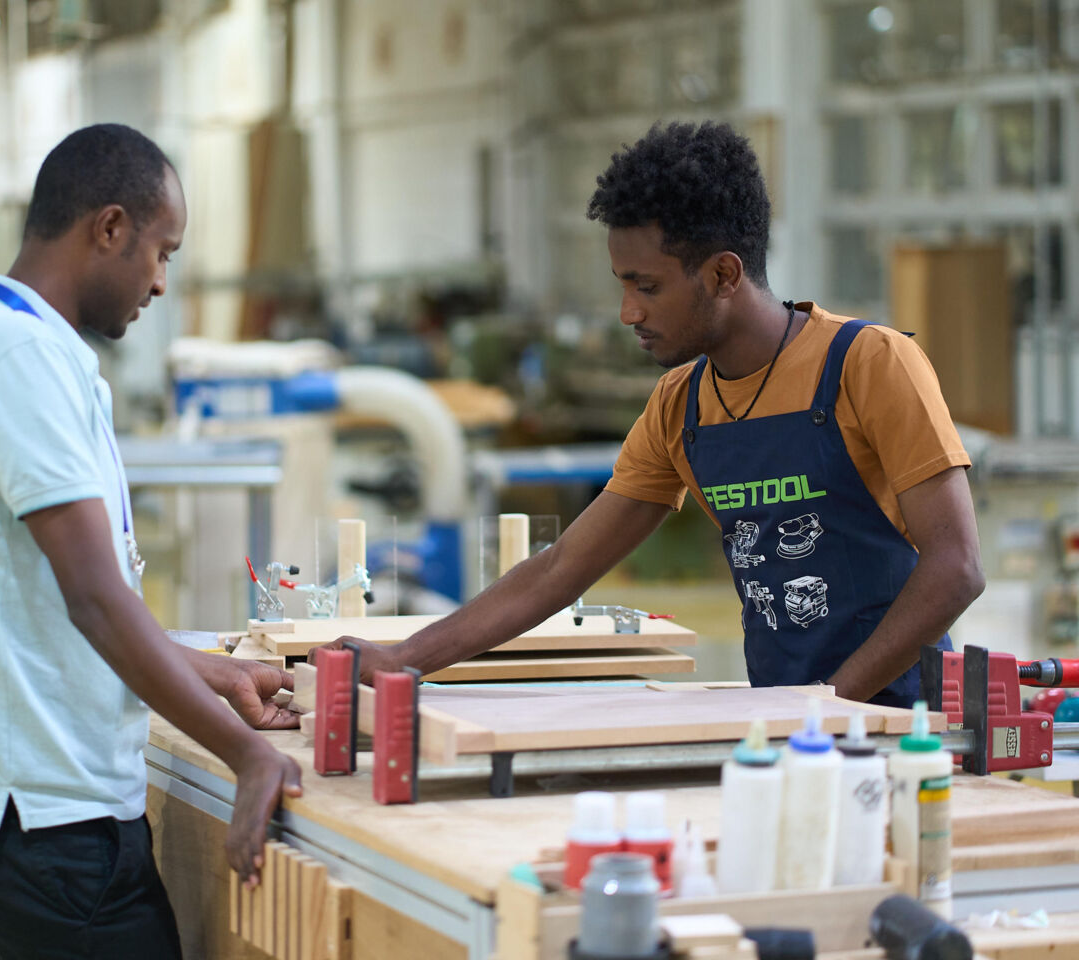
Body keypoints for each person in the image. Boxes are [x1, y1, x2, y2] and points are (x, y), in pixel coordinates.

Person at [326, 121, 985, 707]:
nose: (628, 312)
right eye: (622, 284)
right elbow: (559, 571)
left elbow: (955, 568)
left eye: (647, 286)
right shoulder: (682, 404)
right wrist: (402, 659)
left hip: (908, 730)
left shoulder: (868, 364)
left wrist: (825, 705)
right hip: (785, 721)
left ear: (724, 276)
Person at [0, 124, 301, 959]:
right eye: (160, 252)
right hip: (36, 818)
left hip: (6, 810)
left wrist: (213, 673)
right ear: (108, 229)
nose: (163, 283)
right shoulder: (19, 359)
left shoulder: (1, 343)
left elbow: (39, 604)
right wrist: (246, 756)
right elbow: (95, 600)